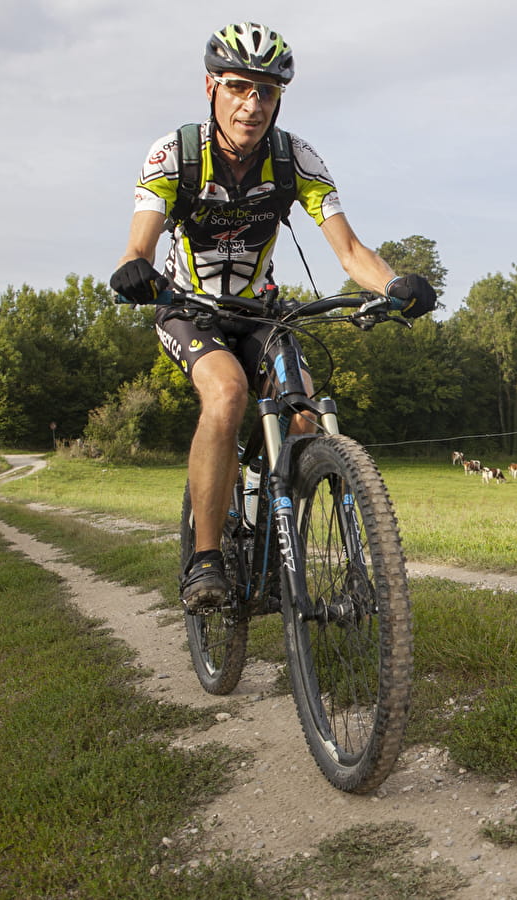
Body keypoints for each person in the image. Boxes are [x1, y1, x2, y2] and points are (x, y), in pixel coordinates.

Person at [110, 22, 437, 614]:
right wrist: (135, 270)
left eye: (266, 91)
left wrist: (393, 284)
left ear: (279, 98)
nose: (252, 104)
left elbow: (350, 251)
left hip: (262, 312)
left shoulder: (295, 159)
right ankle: (207, 558)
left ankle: (268, 525)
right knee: (228, 393)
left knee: (306, 414)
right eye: (238, 87)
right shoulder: (175, 155)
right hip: (190, 309)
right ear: (210, 87)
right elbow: (138, 249)